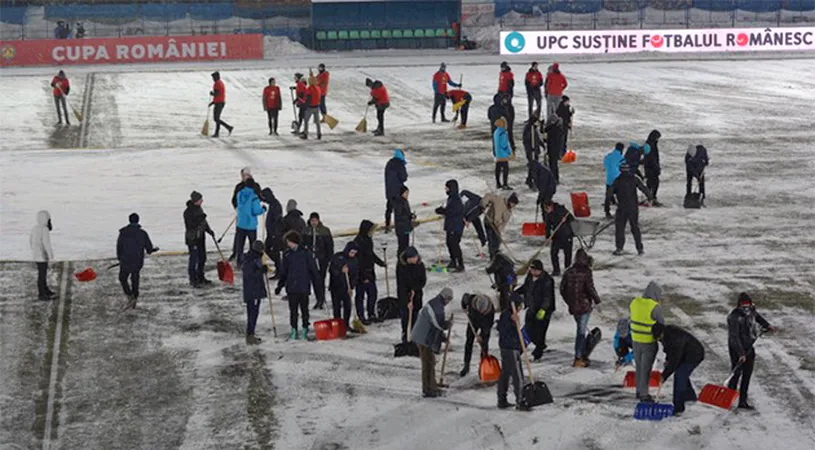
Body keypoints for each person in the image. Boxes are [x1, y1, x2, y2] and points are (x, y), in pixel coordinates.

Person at [727, 293, 775, 410]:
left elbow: (757, 317)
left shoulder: (751, 311)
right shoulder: (733, 317)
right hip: (736, 349)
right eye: (744, 306)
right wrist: (741, 353)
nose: (746, 308)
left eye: (748, 305)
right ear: (739, 305)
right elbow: (734, 337)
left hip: (749, 346)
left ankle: (743, 401)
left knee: (747, 375)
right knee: (736, 374)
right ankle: (727, 399)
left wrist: (767, 325)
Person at [275, 232, 321, 340]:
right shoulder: (287, 254)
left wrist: (318, 283)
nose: (288, 244)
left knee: (304, 309)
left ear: (294, 241)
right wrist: (280, 285)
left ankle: (305, 328)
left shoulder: (306, 253)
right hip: (291, 287)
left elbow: (313, 269)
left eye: (289, 242)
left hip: (303, 286)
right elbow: (284, 272)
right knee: (293, 311)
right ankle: (294, 329)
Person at [652, 322, 705, 416]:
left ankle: (678, 407)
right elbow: (669, 350)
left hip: (694, 355)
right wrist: (667, 360)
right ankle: (690, 396)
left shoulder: (675, 338)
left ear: (661, 333)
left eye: (659, 339)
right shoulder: (666, 334)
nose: (659, 341)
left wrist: (664, 375)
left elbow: (675, 360)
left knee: (680, 375)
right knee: (682, 374)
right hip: (684, 354)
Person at [560, 249, 601, 367]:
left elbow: (562, 289)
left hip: (573, 307)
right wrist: (597, 301)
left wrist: (569, 302)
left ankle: (581, 355)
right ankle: (578, 358)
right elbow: (590, 288)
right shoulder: (586, 271)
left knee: (580, 330)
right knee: (581, 332)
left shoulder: (568, 271)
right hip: (584, 306)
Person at [411, 287, 454, 398]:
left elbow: (435, 327)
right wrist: (447, 324)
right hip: (423, 337)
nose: (448, 302)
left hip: (425, 337)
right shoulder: (437, 307)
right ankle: (427, 389)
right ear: (445, 297)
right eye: (449, 299)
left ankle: (432, 385)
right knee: (427, 363)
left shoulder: (437, 304)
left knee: (431, 362)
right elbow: (438, 324)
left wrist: (443, 337)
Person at [629, 281, 666, 402]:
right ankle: (644, 395)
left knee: (639, 367)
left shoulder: (634, 302)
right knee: (646, 369)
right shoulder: (654, 307)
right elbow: (661, 324)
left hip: (635, 341)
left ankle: (639, 391)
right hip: (648, 342)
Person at [514, 260, 554, 360]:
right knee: (528, 329)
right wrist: (515, 292)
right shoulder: (529, 277)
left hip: (544, 310)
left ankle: (538, 353)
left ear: (540, 270)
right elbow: (526, 288)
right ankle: (525, 348)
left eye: (536, 270)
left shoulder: (547, 280)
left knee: (540, 332)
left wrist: (543, 309)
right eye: (532, 270)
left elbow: (548, 297)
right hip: (532, 308)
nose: (533, 272)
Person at [116, 213, 158, 309]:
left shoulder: (123, 233)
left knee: (122, 278)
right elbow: (149, 248)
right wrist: (153, 250)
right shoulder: (142, 233)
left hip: (125, 259)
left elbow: (119, 246)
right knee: (135, 277)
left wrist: (119, 258)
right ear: (138, 221)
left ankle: (129, 295)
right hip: (137, 260)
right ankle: (135, 296)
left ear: (129, 220)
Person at [612, 164, 652, 256]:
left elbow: (609, 194)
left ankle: (619, 248)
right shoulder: (634, 179)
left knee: (620, 228)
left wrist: (609, 206)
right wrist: (650, 197)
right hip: (633, 208)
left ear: (620, 170)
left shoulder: (617, 181)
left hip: (622, 208)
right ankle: (640, 249)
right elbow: (644, 188)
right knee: (635, 228)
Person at [497, 298, 528, 410]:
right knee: (517, 374)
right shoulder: (508, 316)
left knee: (505, 374)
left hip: (507, 347)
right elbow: (506, 330)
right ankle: (520, 401)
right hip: (511, 348)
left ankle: (502, 400)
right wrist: (515, 323)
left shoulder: (506, 315)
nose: (521, 308)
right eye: (520, 306)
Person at [353, 220, 386, 324]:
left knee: (373, 294)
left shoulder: (368, 239)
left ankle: (371, 314)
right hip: (362, 274)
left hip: (370, 271)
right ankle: (361, 316)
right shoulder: (358, 242)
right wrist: (363, 276)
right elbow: (359, 261)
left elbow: (371, 254)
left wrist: (381, 263)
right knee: (360, 295)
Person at [229, 167, 263, 261]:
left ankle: (246, 257)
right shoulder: (239, 187)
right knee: (240, 241)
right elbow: (234, 200)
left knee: (246, 241)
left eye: (246, 175)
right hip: (248, 221)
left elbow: (259, 198)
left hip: (244, 220)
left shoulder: (254, 187)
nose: (244, 177)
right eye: (243, 175)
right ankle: (237, 255)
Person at [459, 293, 495, 377]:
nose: (482, 312)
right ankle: (466, 365)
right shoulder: (471, 299)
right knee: (469, 342)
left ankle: (483, 366)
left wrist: (482, 335)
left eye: (483, 311)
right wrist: (464, 306)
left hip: (485, 323)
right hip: (473, 321)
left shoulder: (490, 310)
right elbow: (464, 298)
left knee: (484, 344)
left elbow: (488, 326)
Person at [184, 191, 215, 287]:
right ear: (196, 200)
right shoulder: (188, 212)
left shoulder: (199, 209)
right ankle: (193, 279)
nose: (202, 201)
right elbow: (190, 225)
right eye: (200, 199)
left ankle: (201, 277)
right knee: (194, 259)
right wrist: (199, 219)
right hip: (192, 238)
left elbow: (203, 222)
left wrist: (209, 230)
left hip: (201, 237)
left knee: (202, 258)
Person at [235, 173, 266, 267]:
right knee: (253, 244)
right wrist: (263, 209)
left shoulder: (239, 194)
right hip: (251, 225)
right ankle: (253, 261)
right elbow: (256, 211)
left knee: (240, 245)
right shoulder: (254, 197)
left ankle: (239, 262)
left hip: (240, 223)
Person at [396, 246, 427, 343]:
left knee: (415, 316)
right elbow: (401, 284)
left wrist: (415, 288)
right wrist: (407, 300)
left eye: (414, 258)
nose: (413, 260)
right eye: (411, 259)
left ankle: (414, 336)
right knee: (405, 316)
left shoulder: (420, 265)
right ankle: (405, 334)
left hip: (417, 295)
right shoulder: (401, 266)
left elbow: (423, 280)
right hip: (404, 295)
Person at [303, 212, 333, 309]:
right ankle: (319, 298)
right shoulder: (306, 230)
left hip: (322, 258)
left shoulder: (325, 231)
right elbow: (303, 243)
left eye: (315, 220)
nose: (314, 222)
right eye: (312, 220)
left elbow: (329, 246)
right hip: (311, 259)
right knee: (315, 279)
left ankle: (321, 298)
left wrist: (329, 258)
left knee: (321, 278)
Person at [242, 240, 269, 345]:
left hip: (254, 291)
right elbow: (250, 274)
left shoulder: (253, 258)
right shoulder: (250, 260)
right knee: (252, 313)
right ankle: (250, 335)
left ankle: (251, 333)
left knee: (254, 313)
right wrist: (261, 271)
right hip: (253, 292)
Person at [435, 180, 465, 272]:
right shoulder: (451, 198)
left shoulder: (456, 199)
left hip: (456, 226)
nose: (446, 190)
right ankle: (453, 260)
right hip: (451, 225)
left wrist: (443, 211)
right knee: (449, 243)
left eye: (447, 188)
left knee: (454, 244)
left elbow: (454, 212)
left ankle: (460, 264)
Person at [328, 242, 359, 330]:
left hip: (347, 288)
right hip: (336, 287)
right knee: (337, 306)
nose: (352, 254)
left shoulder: (354, 261)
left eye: (354, 253)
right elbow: (331, 270)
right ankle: (337, 324)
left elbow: (355, 275)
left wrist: (352, 286)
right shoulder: (338, 257)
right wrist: (340, 270)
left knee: (347, 306)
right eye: (351, 252)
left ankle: (346, 324)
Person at [481, 192, 519, 259]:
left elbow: (504, 223)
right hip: (488, 221)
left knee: (498, 240)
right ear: (509, 201)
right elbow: (488, 196)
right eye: (512, 203)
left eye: (514, 205)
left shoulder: (508, 212)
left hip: (496, 226)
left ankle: (496, 253)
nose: (513, 206)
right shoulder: (499, 200)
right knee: (491, 239)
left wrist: (499, 230)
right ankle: (492, 255)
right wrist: (483, 204)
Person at [543, 200, 574, 276]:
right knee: (553, 253)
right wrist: (548, 237)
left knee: (567, 254)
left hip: (566, 234)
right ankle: (556, 270)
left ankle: (567, 270)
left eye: (547, 209)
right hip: (556, 236)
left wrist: (565, 219)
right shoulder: (549, 214)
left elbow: (571, 218)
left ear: (551, 206)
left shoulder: (561, 209)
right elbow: (547, 226)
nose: (547, 211)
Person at [30, 210, 56, 300]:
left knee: (41, 274)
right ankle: (42, 293)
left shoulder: (35, 228)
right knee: (42, 275)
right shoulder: (44, 230)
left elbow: (30, 241)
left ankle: (45, 290)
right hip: (42, 255)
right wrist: (50, 255)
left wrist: (34, 251)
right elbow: (46, 244)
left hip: (36, 255)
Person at [384, 149, 408, 233]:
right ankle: (399, 226)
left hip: (389, 190)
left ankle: (387, 226)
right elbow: (404, 177)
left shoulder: (389, 163)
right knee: (399, 210)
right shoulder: (400, 164)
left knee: (389, 209)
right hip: (398, 191)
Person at [261, 188, 284, 275]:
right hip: (271, 233)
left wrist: (275, 233)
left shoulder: (276, 205)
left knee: (274, 252)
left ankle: (279, 269)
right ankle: (279, 267)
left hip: (275, 234)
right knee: (267, 250)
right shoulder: (272, 203)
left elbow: (278, 220)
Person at [603, 143, 626, 219]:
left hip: (609, 179)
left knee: (608, 197)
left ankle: (607, 212)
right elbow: (623, 167)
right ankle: (620, 212)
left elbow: (605, 164)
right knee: (621, 196)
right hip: (618, 179)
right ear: (622, 149)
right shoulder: (621, 158)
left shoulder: (608, 156)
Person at [209, 71, 233, 137]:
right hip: (220, 102)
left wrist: (212, 94)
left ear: (216, 77)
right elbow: (219, 94)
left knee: (216, 119)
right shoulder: (220, 83)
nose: (213, 79)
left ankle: (226, 128)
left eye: (213, 77)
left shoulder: (217, 84)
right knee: (217, 118)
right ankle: (224, 129)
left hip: (219, 103)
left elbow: (217, 94)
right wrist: (212, 102)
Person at [393, 186, 415, 256]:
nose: (407, 195)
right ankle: (401, 259)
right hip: (401, 228)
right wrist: (409, 217)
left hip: (406, 227)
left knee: (406, 245)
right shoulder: (398, 202)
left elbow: (406, 212)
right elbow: (399, 215)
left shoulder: (405, 201)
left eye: (408, 193)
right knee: (402, 245)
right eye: (405, 193)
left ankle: (405, 257)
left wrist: (411, 215)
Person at [522, 115, 543, 189]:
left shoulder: (534, 129)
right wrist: (531, 149)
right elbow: (526, 141)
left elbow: (536, 138)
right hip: (531, 151)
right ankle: (531, 181)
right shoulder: (528, 129)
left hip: (535, 151)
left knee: (534, 166)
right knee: (532, 166)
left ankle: (529, 179)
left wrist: (542, 144)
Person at [544, 114, 565, 184]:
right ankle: (555, 178)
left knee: (553, 164)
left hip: (553, 150)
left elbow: (547, 132)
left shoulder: (555, 130)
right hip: (554, 149)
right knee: (553, 164)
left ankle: (554, 178)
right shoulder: (558, 128)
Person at [493, 117, 513, 190]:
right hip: (503, 154)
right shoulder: (503, 133)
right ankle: (505, 184)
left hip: (497, 153)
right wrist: (509, 153)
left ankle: (498, 183)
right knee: (505, 169)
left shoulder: (496, 132)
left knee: (498, 168)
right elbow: (504, 144)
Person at [643, 130, 662, 206]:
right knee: (654, 182)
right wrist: (657, 168)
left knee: (651, 183)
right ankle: (651, 198)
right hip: (651, 168)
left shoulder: (650, 144)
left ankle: (651, 198)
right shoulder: (650, 145)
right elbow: (652, 158)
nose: (658, 139)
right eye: (657, 138)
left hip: (649, 167)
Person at [300, 75, 322, 140]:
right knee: (317, 122)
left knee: (306, 121)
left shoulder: (309, 89)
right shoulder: (318, 88)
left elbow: (307, 99)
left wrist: (303, 105)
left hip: (310, 108)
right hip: (317, 107)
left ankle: (305, 134)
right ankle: (319, 134)